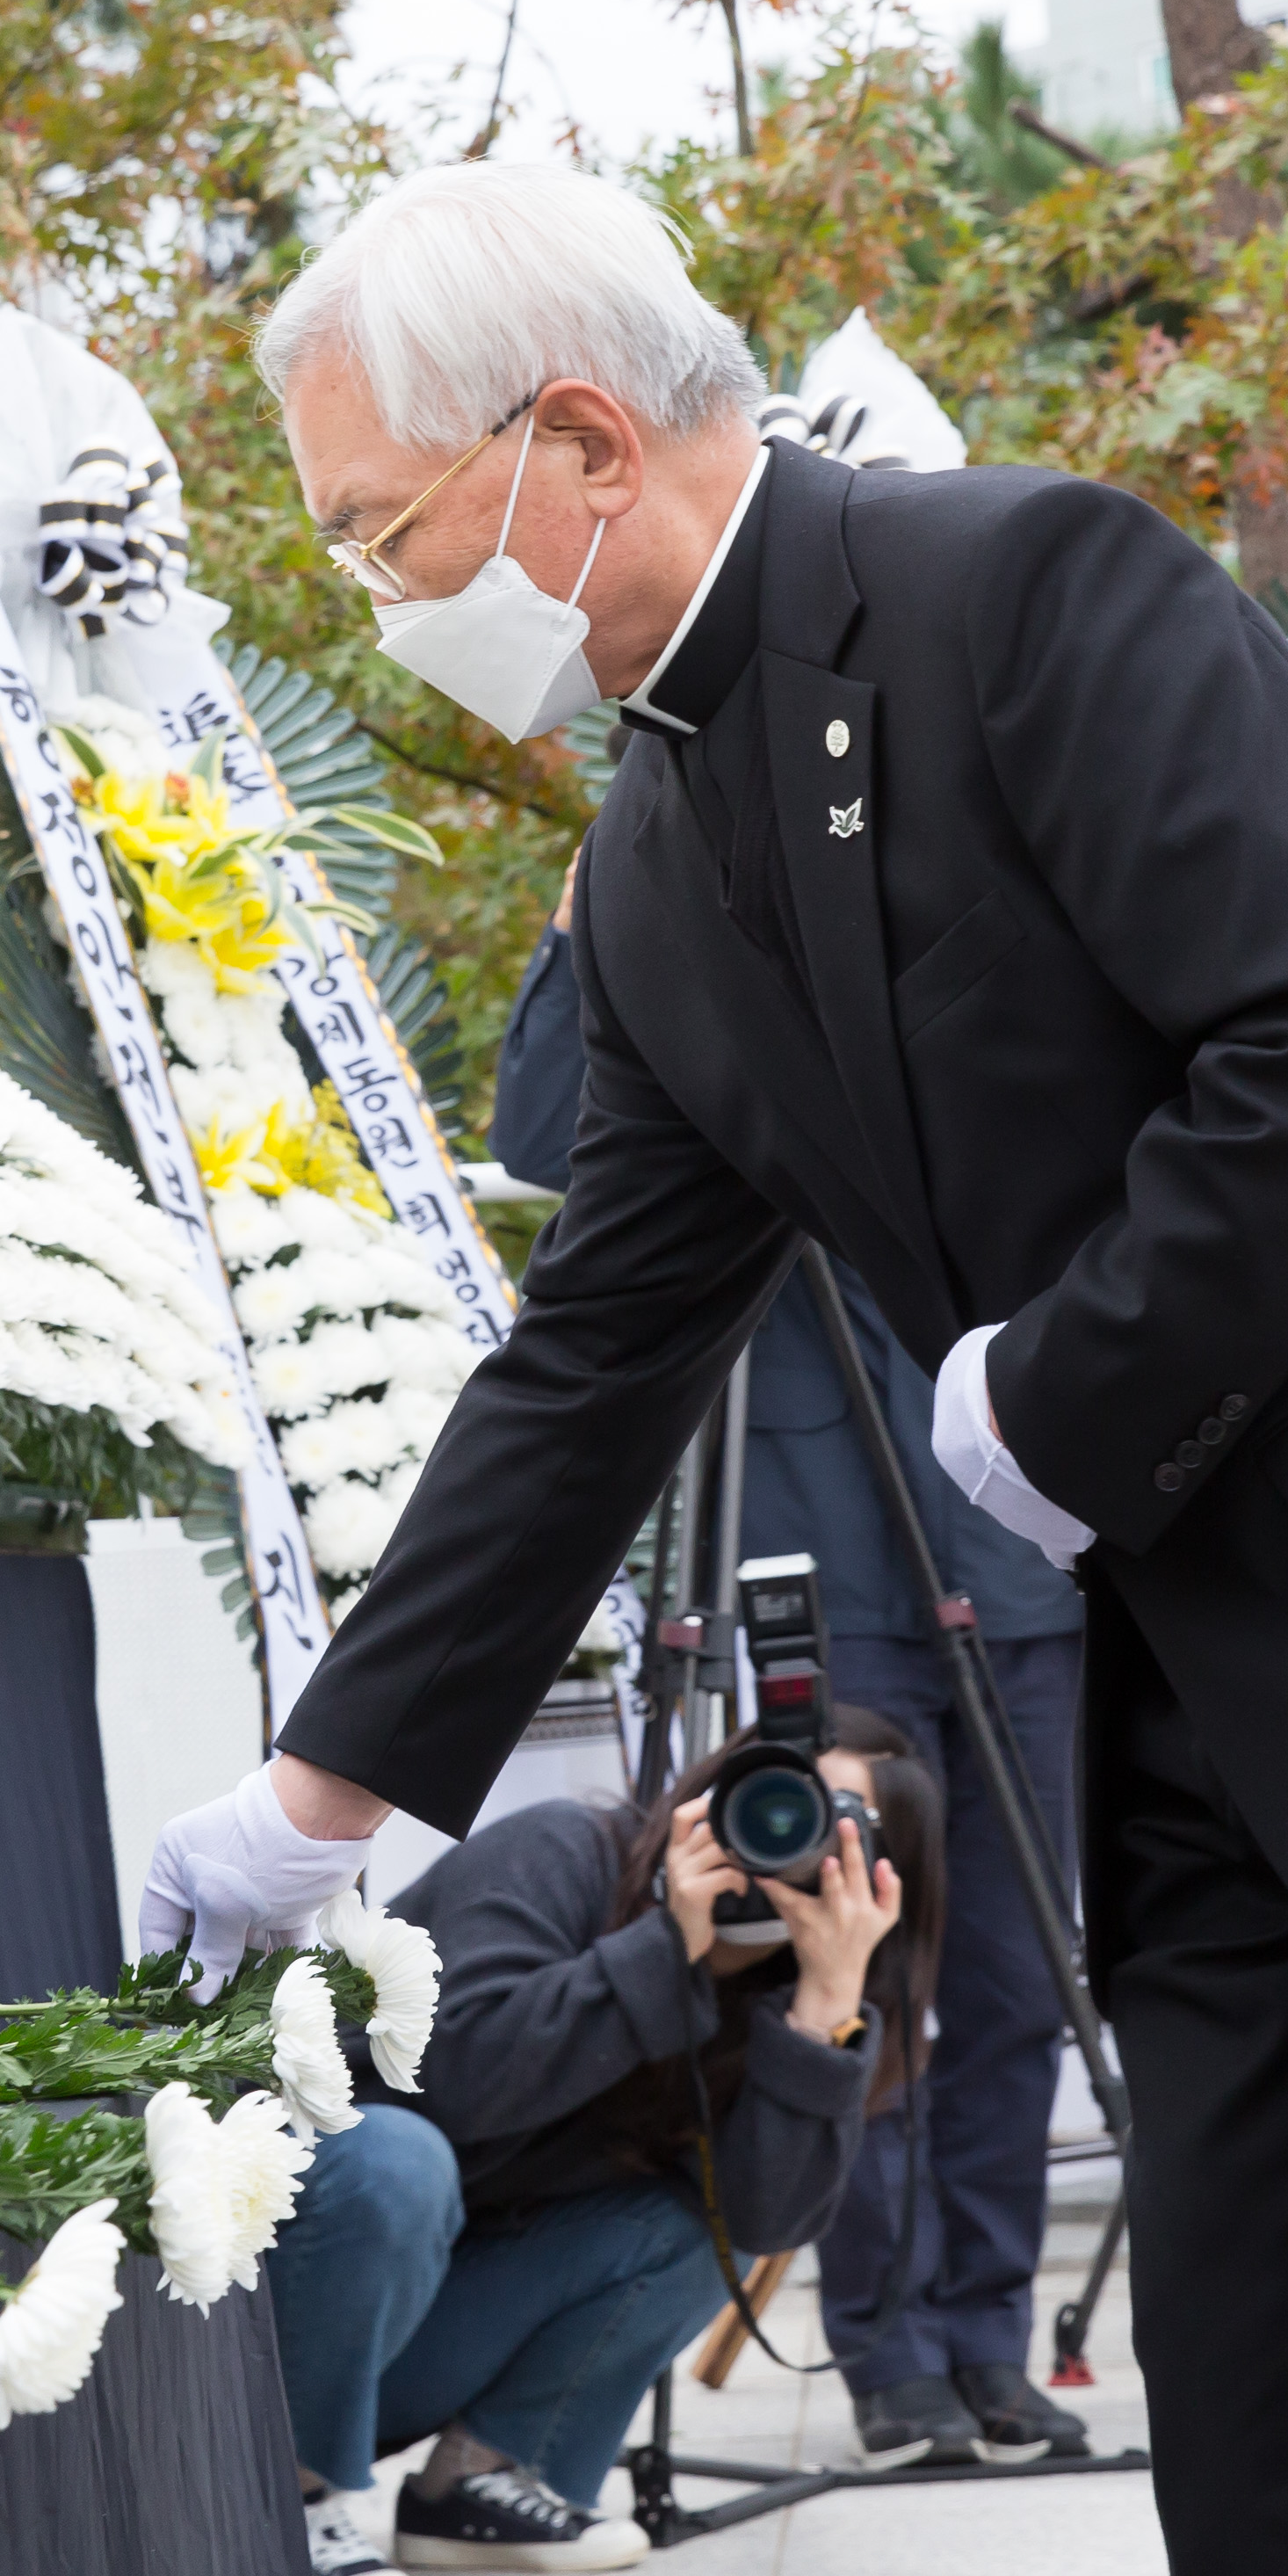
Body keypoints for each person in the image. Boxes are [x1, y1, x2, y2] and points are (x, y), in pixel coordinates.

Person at [135, 158, 1288, 2576]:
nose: (377, 602)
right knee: (1266, 2424)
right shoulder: (652, 854)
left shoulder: (1024, 592)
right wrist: (324, 1792)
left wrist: (1046, 1385)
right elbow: (593, 1352)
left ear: (583, 442)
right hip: (1224, 1683)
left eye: (384, 532)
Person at [496, 872, 1091, 2469]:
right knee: (846, 1945)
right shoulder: (703, 960)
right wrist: (583, 925)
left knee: (1014, 1969)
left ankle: (987, 2334)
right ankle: (884, 2342)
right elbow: (545, 1140)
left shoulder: (1002, 970)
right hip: (815, 1556)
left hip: (1014, 1553)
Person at [277, 1716, 938, 2576]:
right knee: (401, 2159)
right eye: (778, 1794)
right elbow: (450, 2081)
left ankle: (485, 2481)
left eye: (835, 1822)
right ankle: (288, 2501)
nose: (787, 1833)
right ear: (717, 1786)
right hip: (288, 2307)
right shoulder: (560, 1852)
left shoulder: (797, 1999)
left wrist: (825, 2007)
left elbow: (766, 2220)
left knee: (697, 2223)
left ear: (885, 1876)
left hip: (418, 2326)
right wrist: (672, 1944)